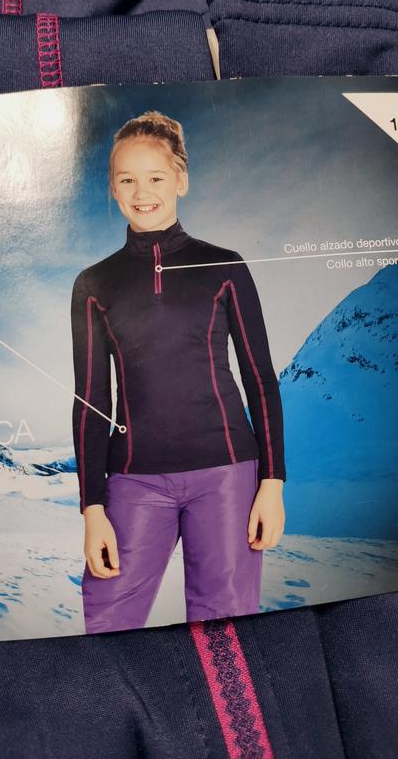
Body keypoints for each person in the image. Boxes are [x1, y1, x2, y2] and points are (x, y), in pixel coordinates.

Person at [70, 109, 286, 634]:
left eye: (156, 177)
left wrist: (272, 484)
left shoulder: (224, 266)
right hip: (133, 479)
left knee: (225, 630)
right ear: (113, 189)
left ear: (180, 180)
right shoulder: (94, 284)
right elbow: (91, 403)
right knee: (108, 620)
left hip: (227, 475)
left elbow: (260, 379)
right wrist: (92, 509)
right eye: (127, 180)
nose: (142, 192)